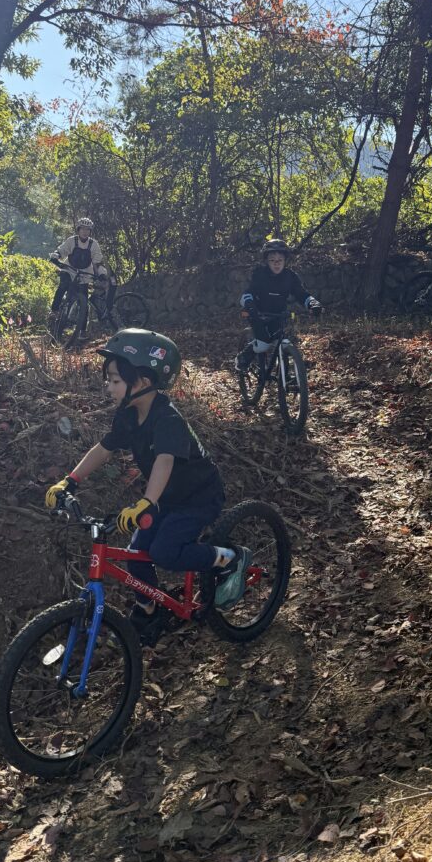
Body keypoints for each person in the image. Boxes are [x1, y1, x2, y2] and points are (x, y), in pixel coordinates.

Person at [44, 329, 251, 646]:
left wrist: (147, 501)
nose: (108, 386)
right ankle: (149, 609)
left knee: (165, 552)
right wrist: (69, 481)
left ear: (141, 381)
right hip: (164, 498)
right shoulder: (127, 416)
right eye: (109, 379)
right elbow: (103, 449)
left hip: (198, 497)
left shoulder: (167, 418)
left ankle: (229, 557)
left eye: (114, 380)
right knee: (136, 556)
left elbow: (164, 461)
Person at [235, 239, 322, 372]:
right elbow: (249, 292)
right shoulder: (260, 274)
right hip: (257, 313)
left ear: (285, 260)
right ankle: (243, 358)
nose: (276, 263)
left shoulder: (290, 276)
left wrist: (312, 303)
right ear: (266, 261)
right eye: (272, 260)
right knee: (263, 344)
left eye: (280, 260)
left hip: (278, 315)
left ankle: (283, 374)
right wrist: (249, 304)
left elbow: (301, 294)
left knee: (279, 341)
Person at [49, 217, 108, 335]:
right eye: (83, 229)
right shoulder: (72, 240)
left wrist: (101, 273)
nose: (85, 232)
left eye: (88, 230)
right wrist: (56, 256)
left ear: (90, 232)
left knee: (84, 301)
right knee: (63, 285)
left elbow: (97, 262)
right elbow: (62, 251)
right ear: (78, 230)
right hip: (69, 269)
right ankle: (54, 311)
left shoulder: (93, 244)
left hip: (85, 273)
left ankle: (82, 330)